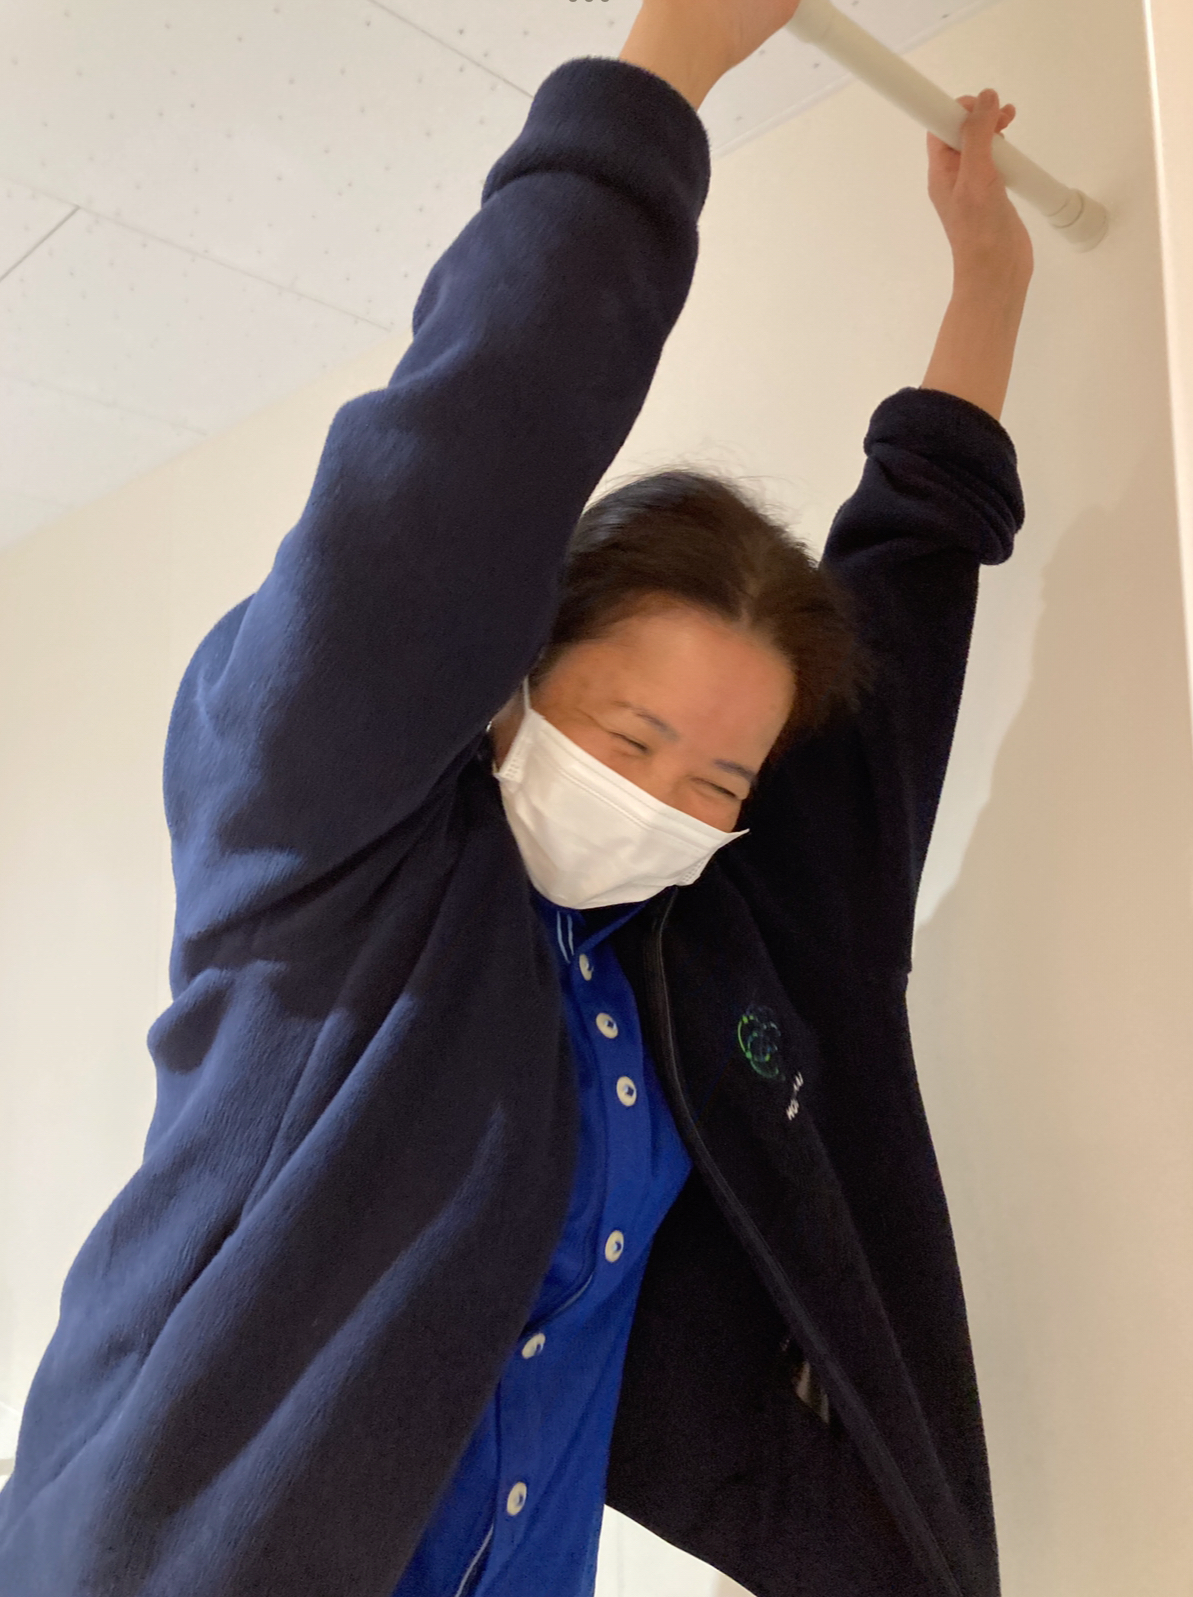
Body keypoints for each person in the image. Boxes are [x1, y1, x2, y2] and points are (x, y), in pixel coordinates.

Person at [0, 1, 1033, 1593]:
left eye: (715, 778)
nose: (663, 800)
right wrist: (671, 63)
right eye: (628, 737)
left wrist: (985, 296)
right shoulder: (327, 857)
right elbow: (456, 467)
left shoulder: (678, 966)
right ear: (515, 674)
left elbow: (886, 669)